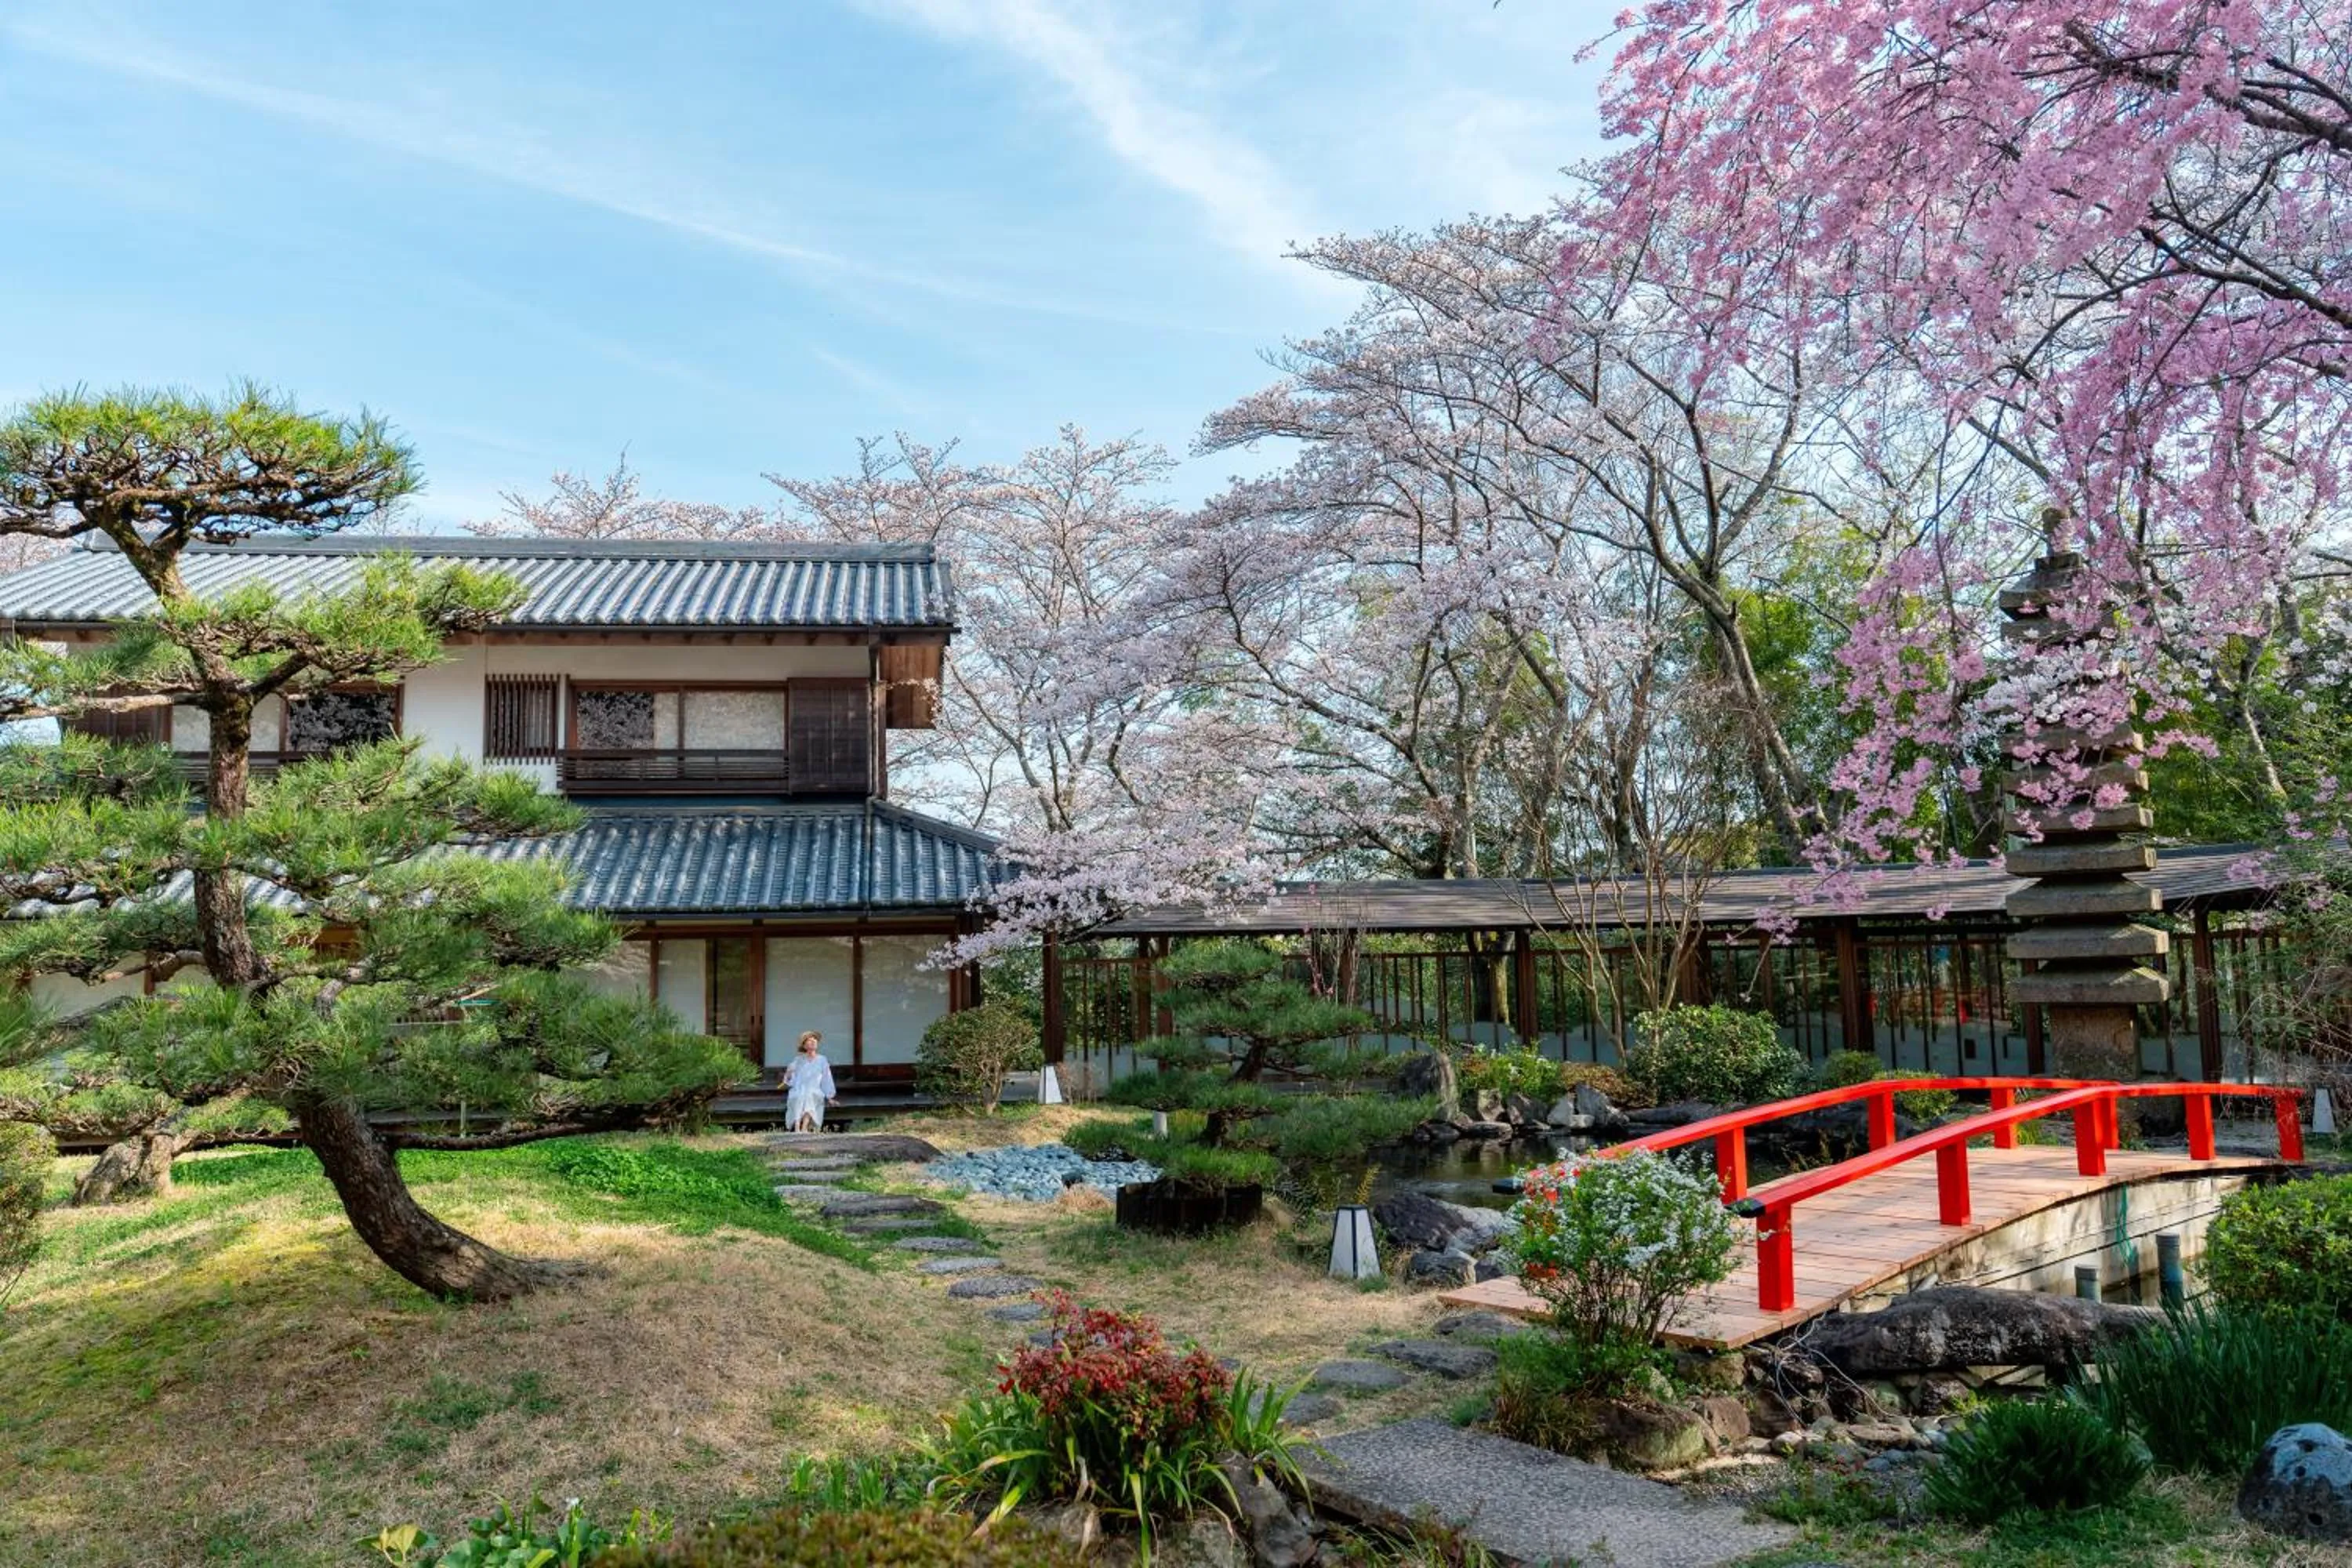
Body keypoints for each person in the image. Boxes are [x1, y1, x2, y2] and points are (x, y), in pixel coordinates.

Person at [783, 1030, 836, 1133]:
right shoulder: (798, 1060)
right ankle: (797, 1126)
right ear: (804, 1045)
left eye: (815, 1040)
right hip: (799, 1090)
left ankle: (804, 1127)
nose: (813, 1042)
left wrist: (830, 1097)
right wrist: (789, 1073)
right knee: (801, 1096)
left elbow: (827, 1078)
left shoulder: (822, 1060)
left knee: (809, 1095)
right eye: (810, 1040)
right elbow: (789, 1081)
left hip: (815, 1090)